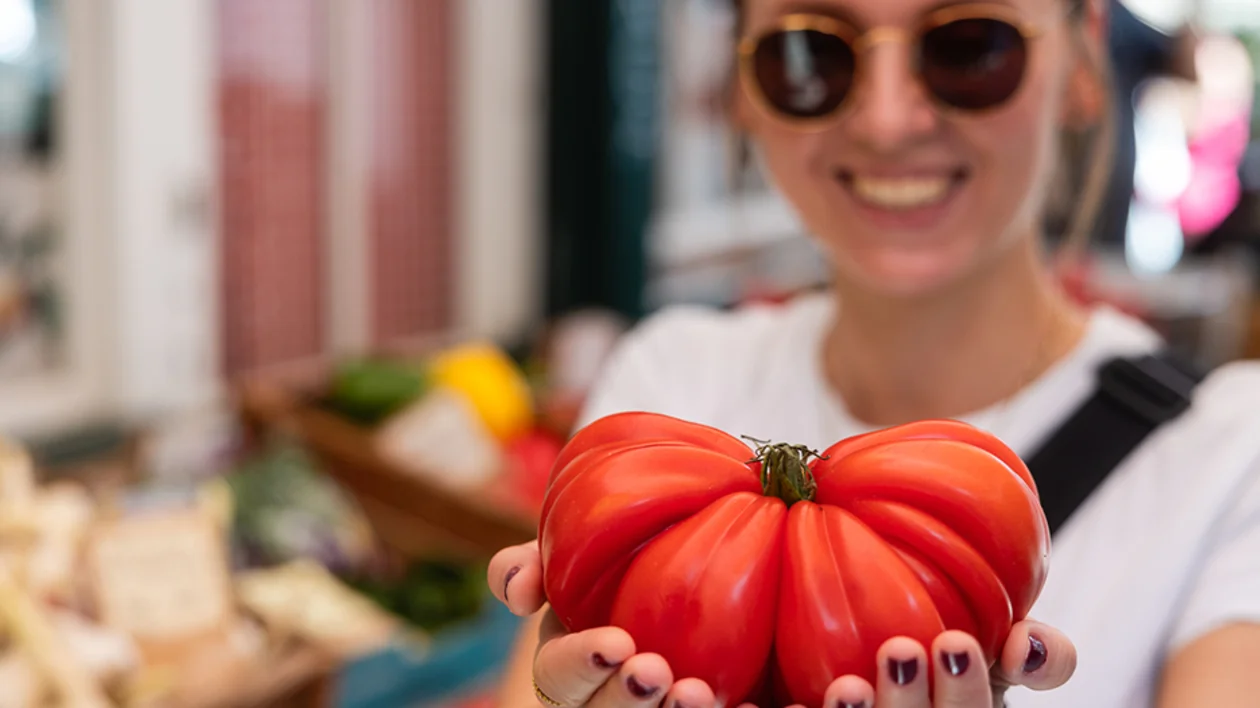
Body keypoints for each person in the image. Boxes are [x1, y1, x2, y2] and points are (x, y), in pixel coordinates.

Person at [488, 0, 1260, 705]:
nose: (888, 120)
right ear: (745, 90)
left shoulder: (1234, 457)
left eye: (969, 44)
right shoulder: (668, 377)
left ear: (1082, 61)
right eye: (810, 54)